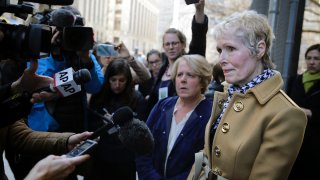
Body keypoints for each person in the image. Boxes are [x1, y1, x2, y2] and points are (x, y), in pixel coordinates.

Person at [188, 10, 307, 180]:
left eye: (231, 48)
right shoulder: (228, 94)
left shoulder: (286, 113)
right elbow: (206, 156)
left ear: (259, 50)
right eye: (220, 50)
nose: (222, 58)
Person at [136, 54, 213, 179]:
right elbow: (143, 146)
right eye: (179, 74)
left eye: (190, 75)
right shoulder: (162, 105)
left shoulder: (210, 114)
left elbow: (204, 164)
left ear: (203, 80)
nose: (183, 79)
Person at [146, 0, 208, 116]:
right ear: (163, 47)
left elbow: (198, 38)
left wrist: (199, 10)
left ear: (183, 44)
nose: (171, 47)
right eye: (167, 44)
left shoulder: (190, 64)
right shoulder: (161, 70)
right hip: (160, 124)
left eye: (174, 43)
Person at [87, 58, 146, 179]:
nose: (117, 85)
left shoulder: (137, 98)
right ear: (107, 79)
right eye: (113, 80)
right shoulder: (99, 97)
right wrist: (102, 123)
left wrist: (124, 123)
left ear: (128, 80)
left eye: (122, 80)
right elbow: (89, 125)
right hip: (102, 156)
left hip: (125, 158)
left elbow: (142, 130)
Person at [288, 43, 320, 179]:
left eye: (316, 59)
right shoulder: (295, 80)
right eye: (309, 58)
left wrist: (311, 113)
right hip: (293, 140)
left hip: (315, 144)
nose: (311, 62)